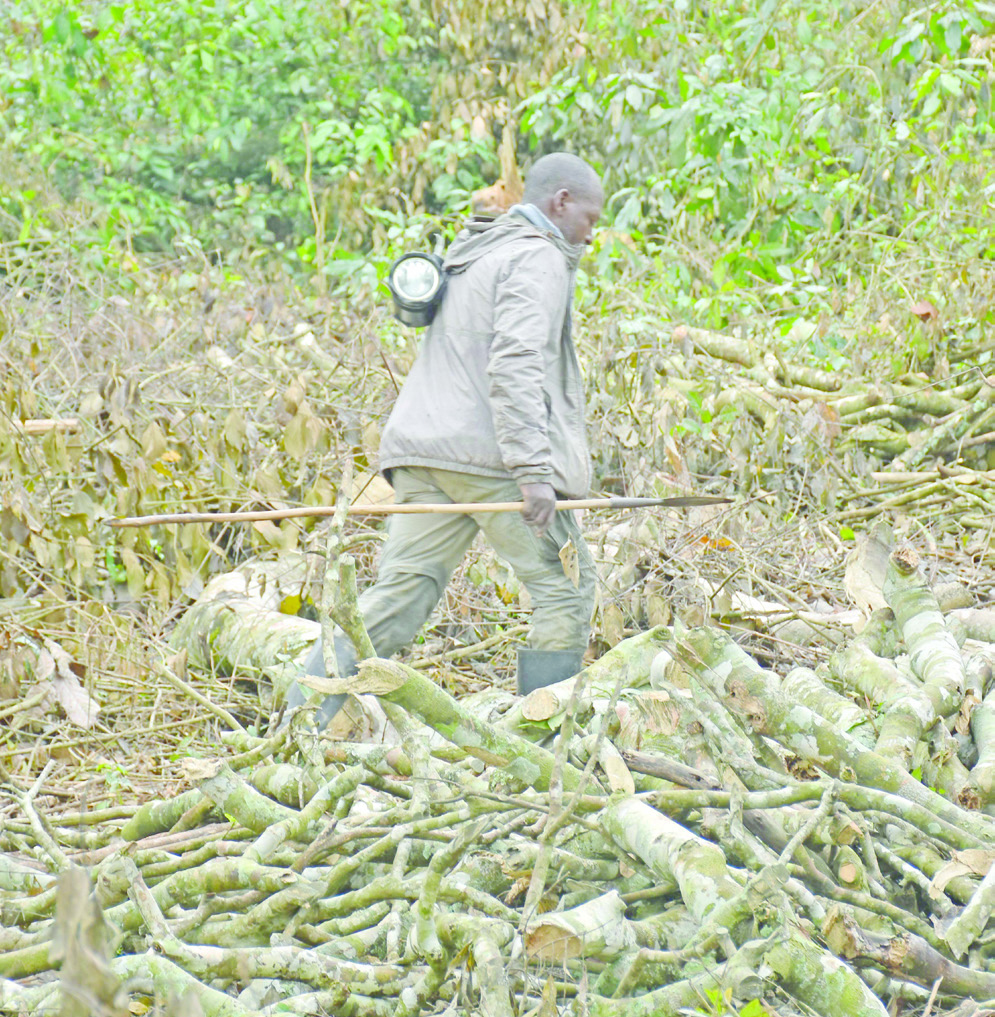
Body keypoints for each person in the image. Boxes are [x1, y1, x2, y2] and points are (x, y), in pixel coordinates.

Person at [285, 152, 604, 728]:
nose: (590, 233)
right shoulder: (538, 258)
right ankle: (542, 745)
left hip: (424, 456)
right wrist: (533, 473)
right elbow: (515, 363)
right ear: (561, 202)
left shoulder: (477, 251)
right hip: (490, 462)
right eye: (590, 218)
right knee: (567, 592)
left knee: (397, 598)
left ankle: (294, 724)